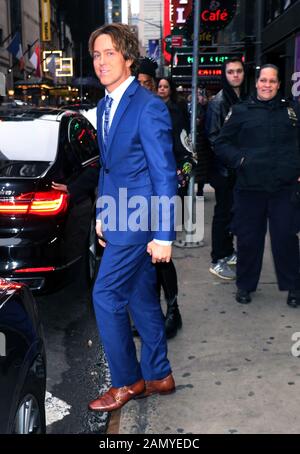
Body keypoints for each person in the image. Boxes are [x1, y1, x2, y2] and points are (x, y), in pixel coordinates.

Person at [87, 23, 177, 412]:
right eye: (95, 55)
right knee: (140, 297)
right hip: (118, 215)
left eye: (109, 53)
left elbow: (164, 173)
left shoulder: (148, 106)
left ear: (127, 58)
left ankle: (128, 382)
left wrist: (165, 235)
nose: (101, 62)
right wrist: (102, 215)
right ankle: (159, 374)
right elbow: (109, 169)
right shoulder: (106, 105)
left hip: (139, 220)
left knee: (105, 296)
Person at [214, 64, 300, 306]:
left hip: (284, 188)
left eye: (272, 81)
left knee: (286, 238)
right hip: (250, 188)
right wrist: (240, 160)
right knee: (249, 240)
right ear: (256, 82)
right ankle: (245, 286)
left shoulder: (291, 111)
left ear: (278, 84)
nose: (267, 85)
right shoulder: (241, 111)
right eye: (264, 80)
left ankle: (294, 287)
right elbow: (221, 144)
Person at [135, 61, 182, 339]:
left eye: (146, 82)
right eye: (137, 81)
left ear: (154, 84)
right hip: (136, 197)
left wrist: (182, 173)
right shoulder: (131, 109)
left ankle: (173, 310)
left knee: (161, 258)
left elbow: (182, 151)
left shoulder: (168, 111)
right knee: (143, 259)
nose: (141, 86)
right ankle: (150, 315)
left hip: (161, 193)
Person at [205, 57, 246, 280]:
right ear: (225, 74)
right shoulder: (218, 102)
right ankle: (217, 259)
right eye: (230, 72)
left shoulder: (243, 98)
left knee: (232, 211)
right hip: (224, 170)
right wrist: (234, 158)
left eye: (238, 71)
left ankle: (228, 251)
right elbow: (213, 137)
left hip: (238, 168)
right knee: (223, 213)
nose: (235, 75)